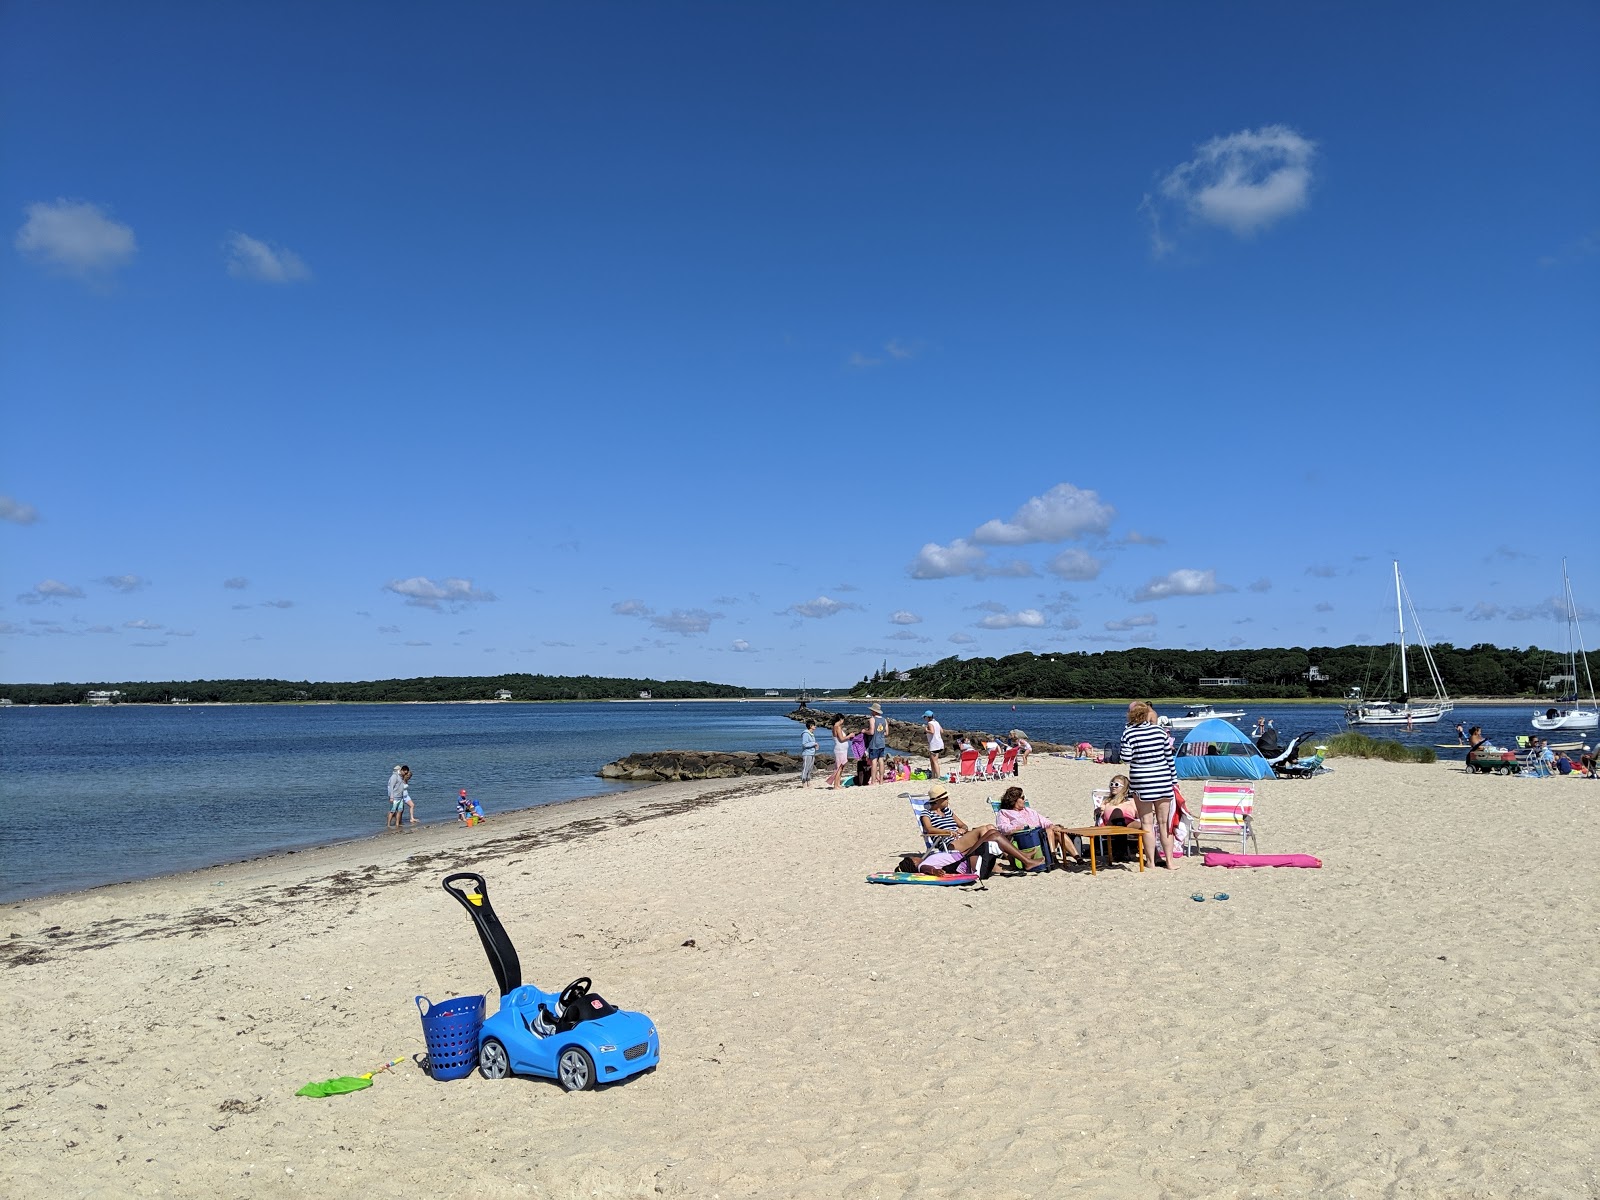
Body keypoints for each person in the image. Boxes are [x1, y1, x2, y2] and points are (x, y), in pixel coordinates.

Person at [1120, 701, 1178, 869]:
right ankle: (1169, 862)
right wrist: (1174, 781)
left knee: (1147, 823)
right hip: (1162, 779)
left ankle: (1151, 862)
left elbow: (1126, 758)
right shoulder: (1160, 731)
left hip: (1142, 781)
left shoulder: (1129, 733)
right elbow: (1169, 758)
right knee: (1164, 823)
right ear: (1146, 714)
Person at [918, 783, 1030, 868]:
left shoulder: (947, 811)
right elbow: (928, 829)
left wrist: (962, 829)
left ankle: (1016, 859)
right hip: (949, 844)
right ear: (938, 800)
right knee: (985, 830)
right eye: (946, 798)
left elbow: (964, 825)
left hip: (961, 838)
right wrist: (947, 832)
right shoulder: (926, 813)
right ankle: (1019, 856)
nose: (948, 800)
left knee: (990, 827)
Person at [993, 785, 1082, 864]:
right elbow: (1002, 828)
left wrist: (1052, 826)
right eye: (1022, 798)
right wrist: (1016, 828)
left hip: (1041, 837)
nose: (1024, 800)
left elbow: (1043, 821)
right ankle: (1052, 857)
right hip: (1024, 840)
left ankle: (1077, 858)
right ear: (1014, 800)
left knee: (1057, 832)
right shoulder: (1004, 812)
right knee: (1048, 831)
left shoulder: (1029, 811)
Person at [865, 702, 889, 785]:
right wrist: (880, 734)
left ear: (874, 711)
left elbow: (871, 732)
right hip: (881, 742)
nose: (871, 712)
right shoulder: (884, 720)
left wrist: (865, 731)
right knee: (881, 760)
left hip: (874, 742)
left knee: (874, 761)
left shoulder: (872, 719)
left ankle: (873, 781)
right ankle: (881, 780)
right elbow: (887, 733)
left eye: (872, 710)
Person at [829, 714, 848, 790]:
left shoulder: (834, 727)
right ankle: (836, 785)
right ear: (840, 719)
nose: (843, 721)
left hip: (841, 748)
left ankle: (838, 784)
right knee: (839, 767)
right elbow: (841, 739)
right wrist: (849, 736)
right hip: (840, 749)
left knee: (841, 767)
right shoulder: (838, 727)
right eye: (843, 720)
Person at [923, 710, 944, 780]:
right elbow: (942, 731)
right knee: (932, 760)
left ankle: (938, 776)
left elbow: (932, 732)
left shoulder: (930, 723)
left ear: (928, 717)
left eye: (925, 717)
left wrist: (926, 730)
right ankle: (933, 775)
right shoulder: (936, 722)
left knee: (935, 761)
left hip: (934, 744)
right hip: (939, 743)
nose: (924, 719)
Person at [800, 720, 818, 786]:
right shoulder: (806, 734)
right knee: (805, 767)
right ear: (810, 726)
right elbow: (804, 744)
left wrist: (815, 745)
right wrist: (814, 744)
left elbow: (811, 743)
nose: (815, 726)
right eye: (814, 725)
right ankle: (803, 781)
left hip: (812, 753)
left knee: (810, 768)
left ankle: (808, 781)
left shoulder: (812, 734)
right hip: (807, 753)